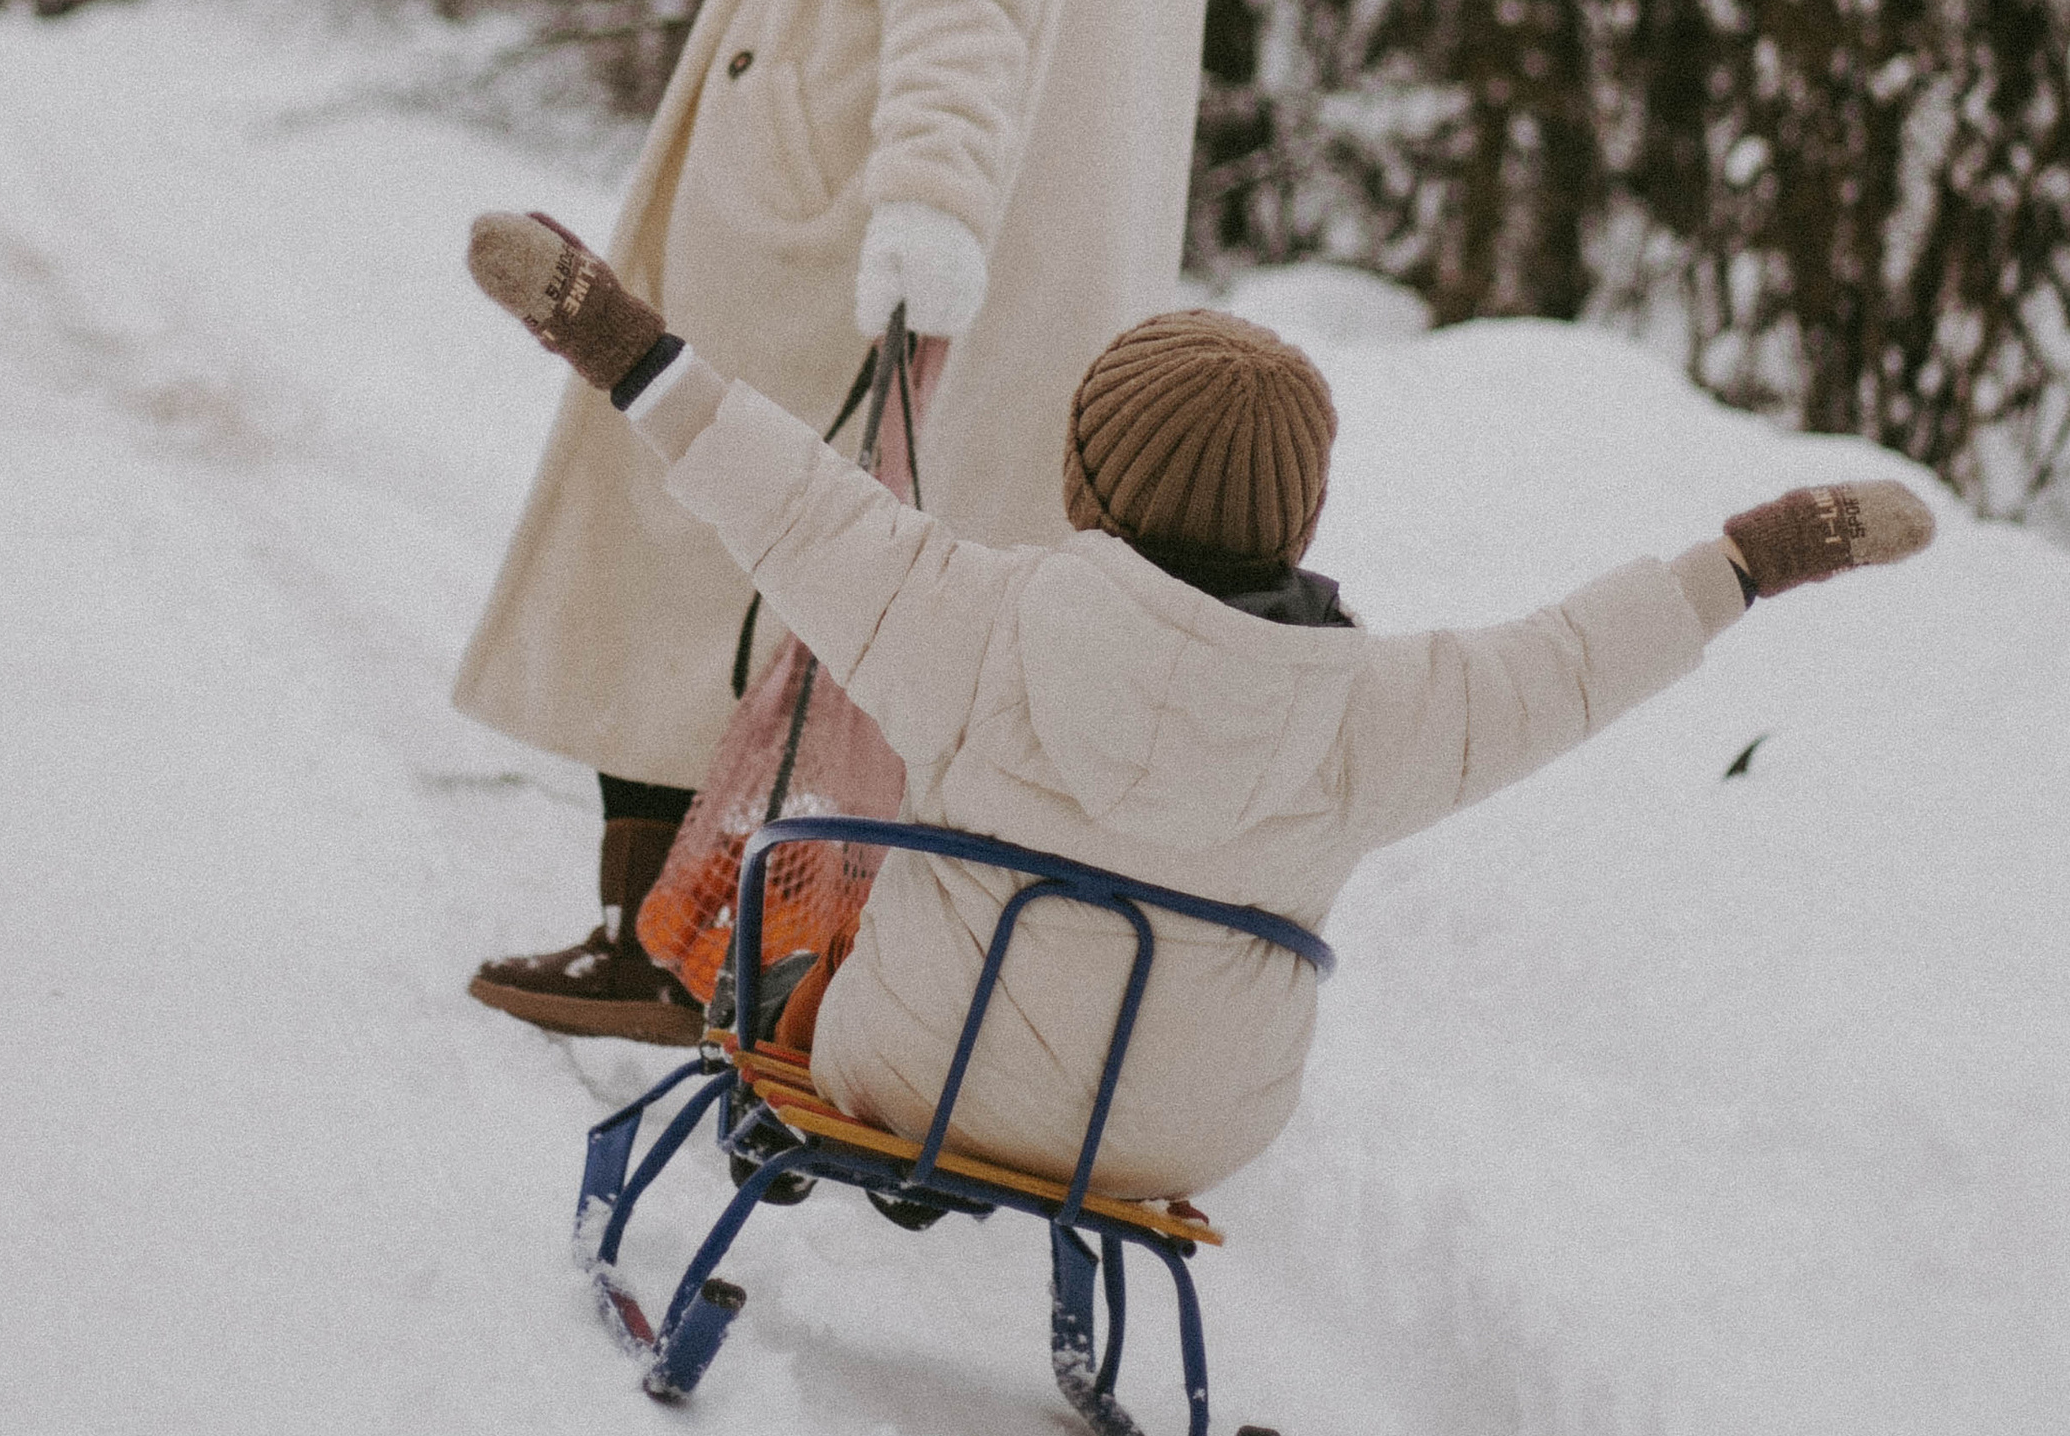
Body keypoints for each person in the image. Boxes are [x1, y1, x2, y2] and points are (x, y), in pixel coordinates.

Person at [466, 213, 1937, 1202]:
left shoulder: (983, 620)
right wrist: (1749, 561)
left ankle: (797, 1119)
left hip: (914, 1071)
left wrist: (616, 339)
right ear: (1295, 520)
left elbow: (786, 498)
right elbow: (1570, 665)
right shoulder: (1374, 712)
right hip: (1180, 1134)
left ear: (1087, 484)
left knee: (815, 938)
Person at [457, 0, 1223, 1041]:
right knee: (921, 603)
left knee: (706, 543)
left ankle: (669, 940)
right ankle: (836, 956)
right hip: (1057, 245)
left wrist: (925, 207)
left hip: (862, 218)